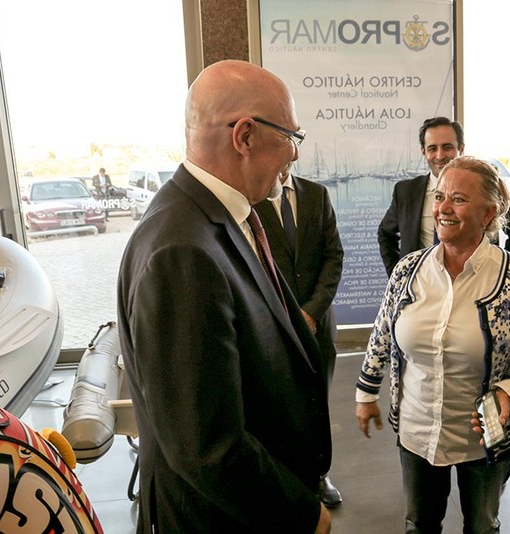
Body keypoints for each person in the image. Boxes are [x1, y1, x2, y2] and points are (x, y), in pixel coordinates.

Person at [117, 60, 332, 533]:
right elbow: (207, 445)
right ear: (246, 137)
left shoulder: (213, 219)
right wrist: (301, 514)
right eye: (290, 137)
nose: (295, 154)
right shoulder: (181, 251)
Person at [356, 156, 510, 533]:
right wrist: (366, 393)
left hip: (485, 438)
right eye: (440, 197)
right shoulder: (408, 271)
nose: (443, 208)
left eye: (459, 199)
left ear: (488, 213)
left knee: (482, 525)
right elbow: (383, 331)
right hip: (417, 429)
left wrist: (508, 390)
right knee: (420, 524)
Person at [254, 162, 344, 507]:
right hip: (273, 326)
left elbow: (333, 256)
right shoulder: (251, 198)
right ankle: (287, 478)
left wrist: (311, 312)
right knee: (280, 405)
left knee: (317, 404)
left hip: (318, 325)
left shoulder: (316, 195)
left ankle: (319, 475)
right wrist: (288, 316)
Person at [377, 117, 510, 277]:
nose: (440, 155)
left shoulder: (481, 187)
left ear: (461, 148)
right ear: (423, 152)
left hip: (477, 283)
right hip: (421, 286)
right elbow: (385, 234)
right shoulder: (406, 191)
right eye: (432, 148)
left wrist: (501, 271)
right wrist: (398, 275)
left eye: (447, 147)